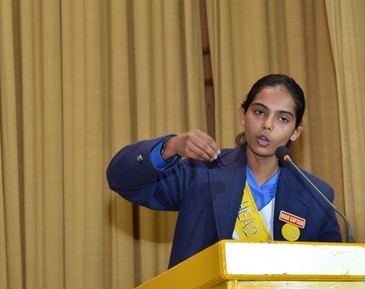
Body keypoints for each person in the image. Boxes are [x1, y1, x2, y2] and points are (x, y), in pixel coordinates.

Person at [106, 74, 342, 268]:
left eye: (282, 119)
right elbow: (121, 179)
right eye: (259, 112)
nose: (267, 124)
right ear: (243, 115)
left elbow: (334, 277)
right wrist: (170, 147)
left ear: (296, 131)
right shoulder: (202, 170)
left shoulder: (316, 195)